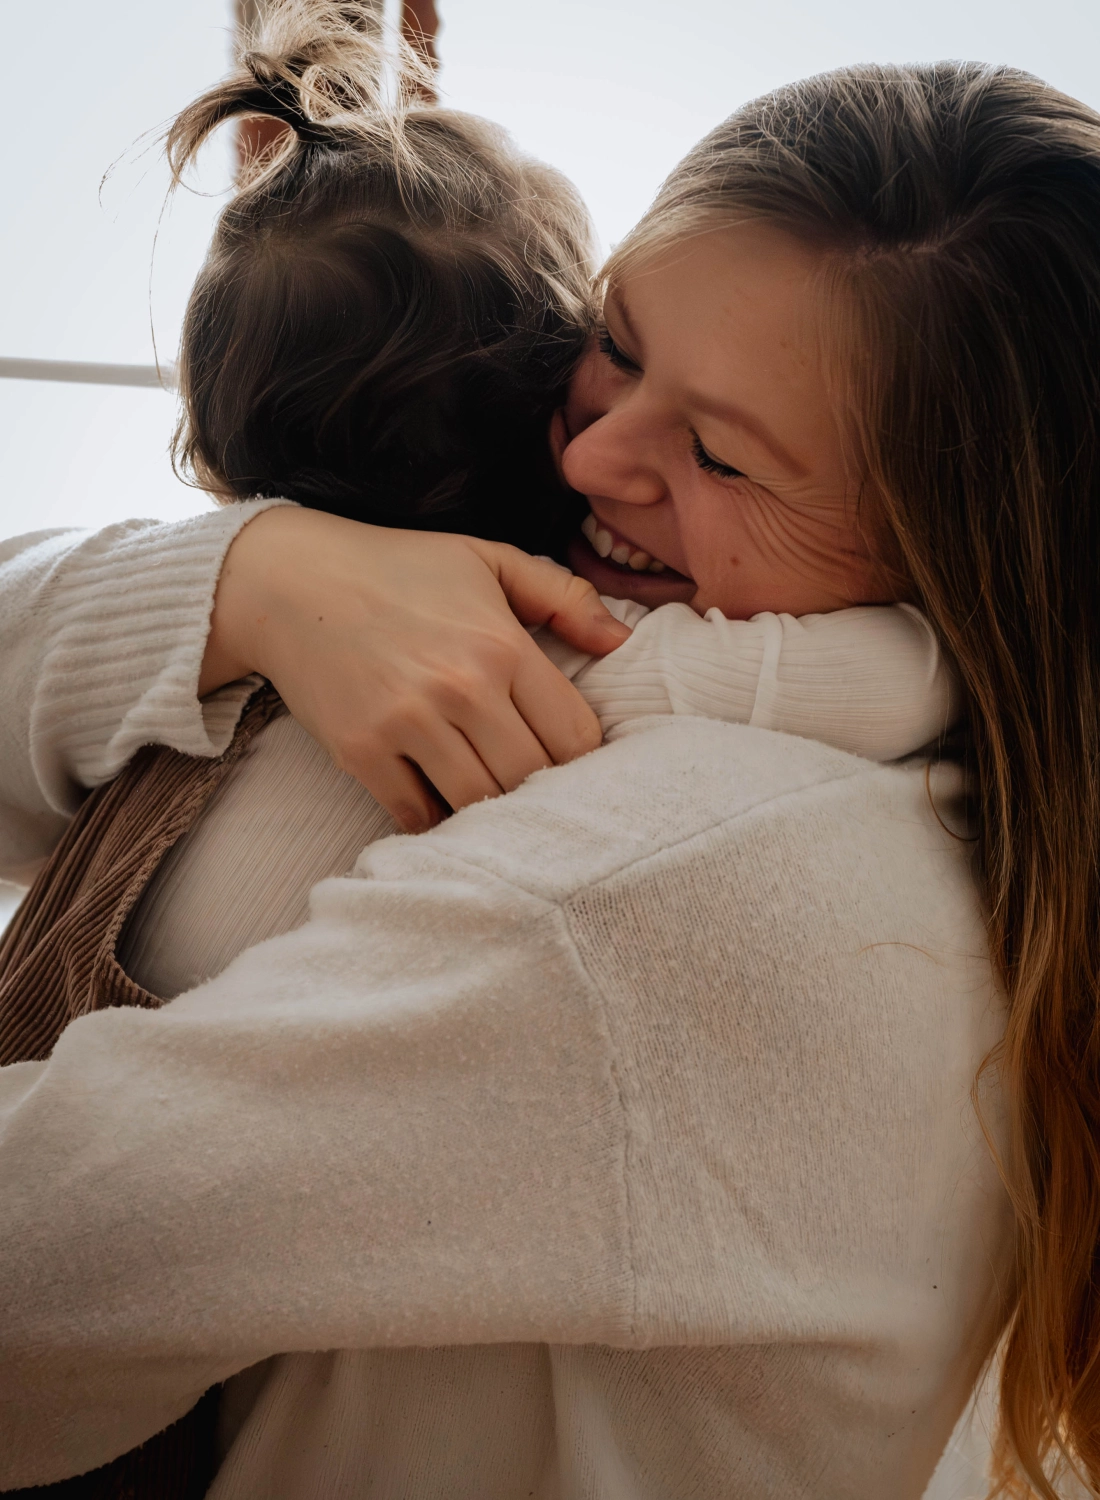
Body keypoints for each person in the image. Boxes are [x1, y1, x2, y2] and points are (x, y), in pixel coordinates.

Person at [1, 52, 1096, 1500]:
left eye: (720, 456)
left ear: (960, 558)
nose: (590, 456)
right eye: (617, 345)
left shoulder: (662, 881)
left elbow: (36, 1277)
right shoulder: (946, 808)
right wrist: (258, 578)